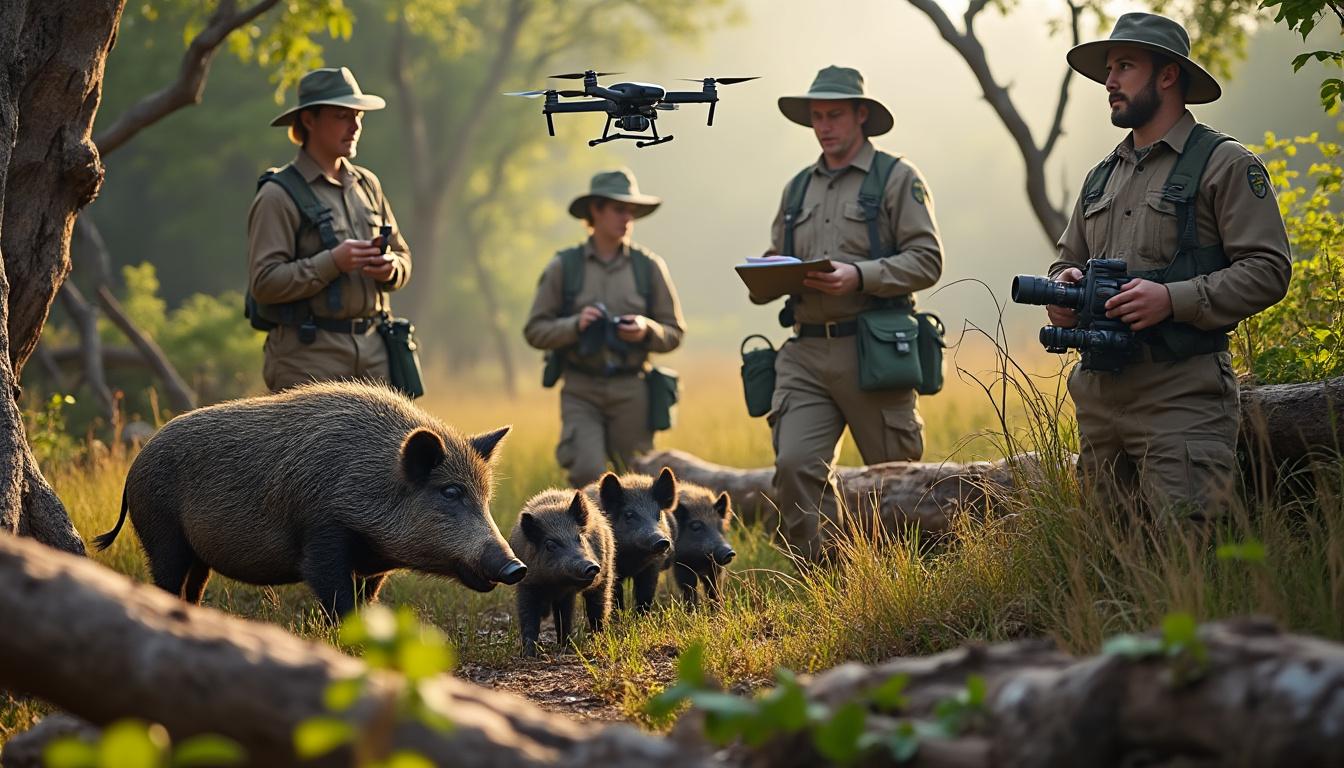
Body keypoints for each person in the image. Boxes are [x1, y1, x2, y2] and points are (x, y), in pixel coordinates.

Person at [1049, 13, 1291, 518]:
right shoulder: (1101, 177)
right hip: (1098, 399)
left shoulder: (1225, 164)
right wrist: (1064, 289)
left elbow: (1269, 269)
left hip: (1181, 394)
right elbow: (1067, 261)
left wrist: (1172, 300)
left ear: (1168, 75)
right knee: (1105, 564)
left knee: (1185, 561)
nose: (1110, 81)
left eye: (1125, 66)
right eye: (1109, 69)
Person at [757, 66, 944, 560]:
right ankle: (830, 585)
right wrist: (771, 270)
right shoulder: (797, 189)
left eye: (835, 114)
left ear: (862, 115)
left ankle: (913, 583)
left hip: (874, 350)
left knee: (899, 477)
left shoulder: (897, 178)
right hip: (805, 351)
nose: (824, 125)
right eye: (817, 116)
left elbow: (928, 260)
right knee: (795, 465)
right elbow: (778, 255)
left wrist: (858, 276)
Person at [247, 66, 412, 392]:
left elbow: (404, 255)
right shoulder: (277, 195)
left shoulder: (367, 184)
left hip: (375, 357)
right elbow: (264, 283)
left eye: (358, 116)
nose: (355, 126)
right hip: (309, 361)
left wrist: (391, 268)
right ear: (309, 120)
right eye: (342, 116)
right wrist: (333, 262)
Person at [523, 169, 687, 488]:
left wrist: (646, 329)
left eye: (632, 210)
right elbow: (535, 330)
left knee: (638, 481)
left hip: (632, 390)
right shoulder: (564, 267)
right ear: (595, 211)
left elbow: (674, 332)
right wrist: (575, 325)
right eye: (618, 208)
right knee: (587, 474)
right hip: (581, 388)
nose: (628, 217)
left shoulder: (648, 267)